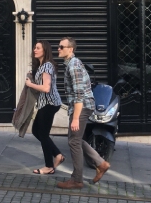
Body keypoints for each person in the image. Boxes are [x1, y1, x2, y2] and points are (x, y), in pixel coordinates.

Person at [57, 36, 110, 189]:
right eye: (59, 46)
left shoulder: (73, 65)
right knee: (76, 139)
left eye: (61, 47)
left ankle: (77, 180)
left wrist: (75, 118)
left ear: (70, 49)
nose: (58, 49)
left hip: (81, 107)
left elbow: (79, 94)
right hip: (82, 106)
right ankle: (101, 163)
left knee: (73, 141)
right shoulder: (72, 64)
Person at [25, 40, 65, 175]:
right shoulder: (43, 66)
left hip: (49, 103)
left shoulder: (47, 66)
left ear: (45, 50)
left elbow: (46, 88)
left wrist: (30, 84)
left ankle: (49, 166)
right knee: (37, 131)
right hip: (47, 103)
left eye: (37, 48)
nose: (34, 50)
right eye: (34, 48)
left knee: (42, 134)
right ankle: (57, 155)